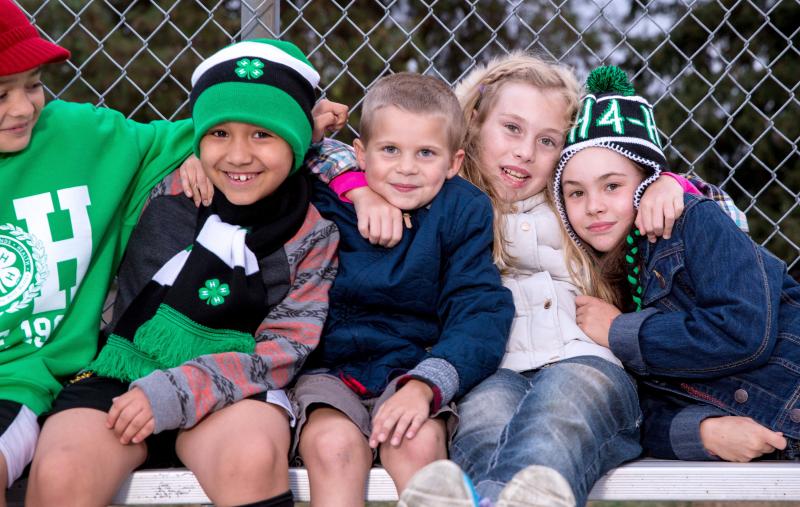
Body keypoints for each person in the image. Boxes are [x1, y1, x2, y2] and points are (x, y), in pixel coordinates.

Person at [327, 56, 746, 507]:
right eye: (512, 128)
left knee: (558, 415)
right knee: (485, 428)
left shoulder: (577, 204)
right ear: (472, 125)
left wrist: (669, 185)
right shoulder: (436, 198)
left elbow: (728, 221)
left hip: (588, 363)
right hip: (493, 371)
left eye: (547, 141)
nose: (526, 151)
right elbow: (329, 158)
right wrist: (357, 185)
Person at [25, 39, 339, 507]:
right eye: (218, 134)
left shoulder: (311, 231)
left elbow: (286, 348)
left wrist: (179, 389)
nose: (237, 156)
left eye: (262, 135)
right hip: (123, 366)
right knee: (63, 468)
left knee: (250, 455)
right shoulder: (162, 183)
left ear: (296, 140)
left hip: (231, 382)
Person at [0, 0, 196, 502]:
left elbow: (212, 133)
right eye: (1, 93)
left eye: (34, 84)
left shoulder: (79, 134)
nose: (23, 107)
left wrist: (305, 119)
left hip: (15, 379)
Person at [290, 72, 515, 507]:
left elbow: (479, 308)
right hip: (332, 370)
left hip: (414, 367)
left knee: (416, 443)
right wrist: (317, 138)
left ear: (453, 163)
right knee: (331, 447)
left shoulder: (461, 210)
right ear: (360, 154)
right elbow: (268, 161)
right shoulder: (328, 201)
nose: (406, 167)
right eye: (390, 150)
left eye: (426, 153)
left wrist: (425, 385)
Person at [555, 66, 797, 465]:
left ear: (647, 184)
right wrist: (703, 432)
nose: (594, 204)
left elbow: (743, 330)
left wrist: (620, 331)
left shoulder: (692, 223)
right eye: (575, 192)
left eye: (612, 185)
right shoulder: (599, 285)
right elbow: (631, 416)